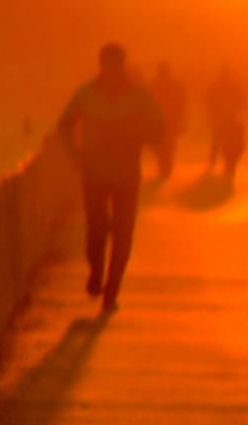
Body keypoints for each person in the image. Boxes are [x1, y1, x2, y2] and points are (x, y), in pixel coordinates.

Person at [54, 42, 172, 311]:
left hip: (127, 174)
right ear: (101, 65)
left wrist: (143, 137)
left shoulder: (139, 96)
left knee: (123, 235)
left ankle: (112, 293)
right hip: (94, 172)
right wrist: (75, 155)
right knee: (96, 230)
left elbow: (160, 127)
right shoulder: (86, 95)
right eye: (107, 65)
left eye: (116, 66)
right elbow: (64, 125)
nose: (112, 71)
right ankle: (96, 272)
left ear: (122, 66)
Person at [202, 65, 248, 185]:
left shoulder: (218, 85)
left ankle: (215, 159)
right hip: (227, 117)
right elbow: (243, 100)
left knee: (219, 138)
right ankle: (222, 160)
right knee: (223, 138)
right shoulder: (231, 85)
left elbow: (207, 100)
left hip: (226, 118)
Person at [146, 61, 190, 181]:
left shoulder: (154, 85)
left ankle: (165, 163)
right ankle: (165, 163)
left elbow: (182, 103)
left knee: (164, 144)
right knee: (163, 144)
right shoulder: (159, 85)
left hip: (166, 120)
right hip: (165, 120)